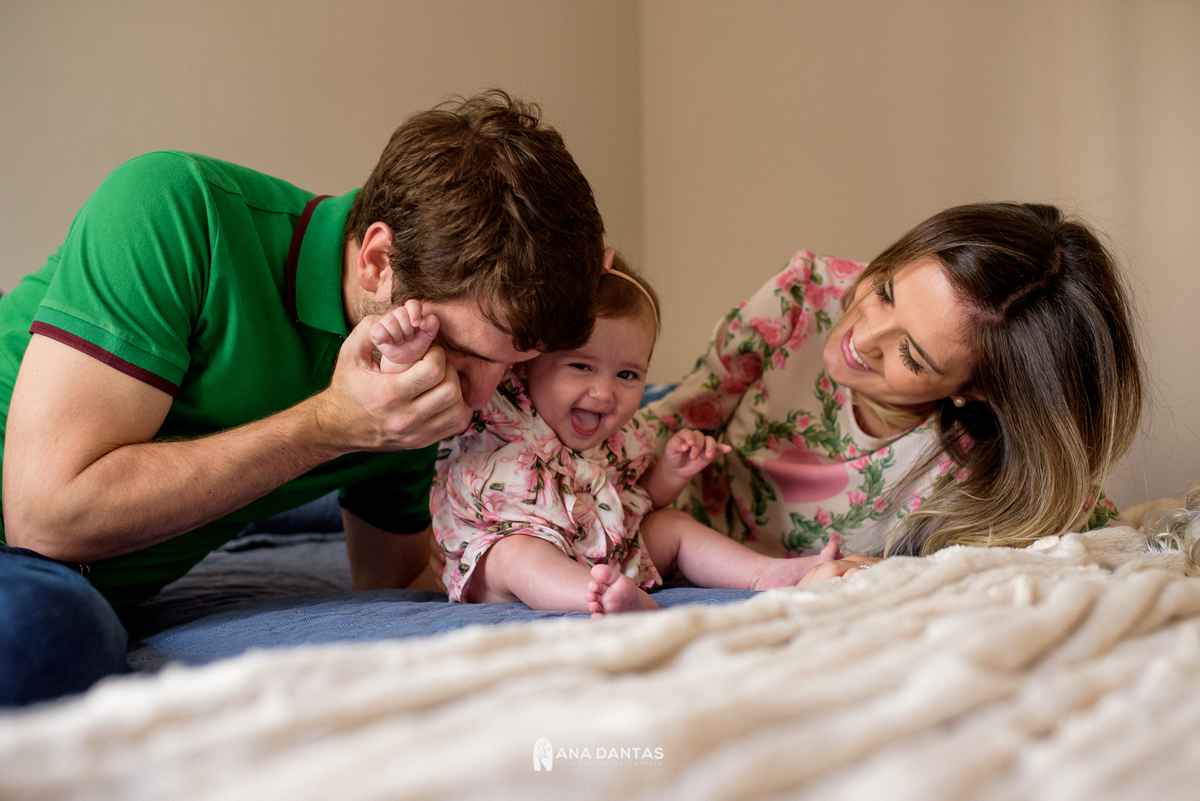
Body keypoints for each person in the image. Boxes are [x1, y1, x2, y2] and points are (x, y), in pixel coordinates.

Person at [0, 90, 606, 705]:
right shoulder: (174, 207)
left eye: (509, 367)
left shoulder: (415, 390)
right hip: (27, 540)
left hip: (69, 579)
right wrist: (331, 425)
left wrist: (512, 567)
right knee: (44, 636)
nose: (474, 396)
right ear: (377, 261)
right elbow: (45, 516)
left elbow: (394, 581)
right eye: (460, 349)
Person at [641, 202, 1142, 582]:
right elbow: (671, 421)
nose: (860, 339)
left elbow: (1115, 545)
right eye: (884, 293)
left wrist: (889, 574)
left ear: (980, 390)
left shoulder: (983, 469)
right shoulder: (802, 299)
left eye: (912, 356)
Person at [393, 250, 844, 617]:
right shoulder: (497, 402)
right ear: (526, 360)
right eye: (581, 366)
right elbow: (419, 387)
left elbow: (643, 497)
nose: (605, 392)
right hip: (500, 561)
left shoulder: (625, 436)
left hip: (605, 552)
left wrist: (671, 469)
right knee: (515, 554)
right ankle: (595, 599)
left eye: (628, 374)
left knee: (671, 527)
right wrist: (405, 350)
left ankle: (763, 575)